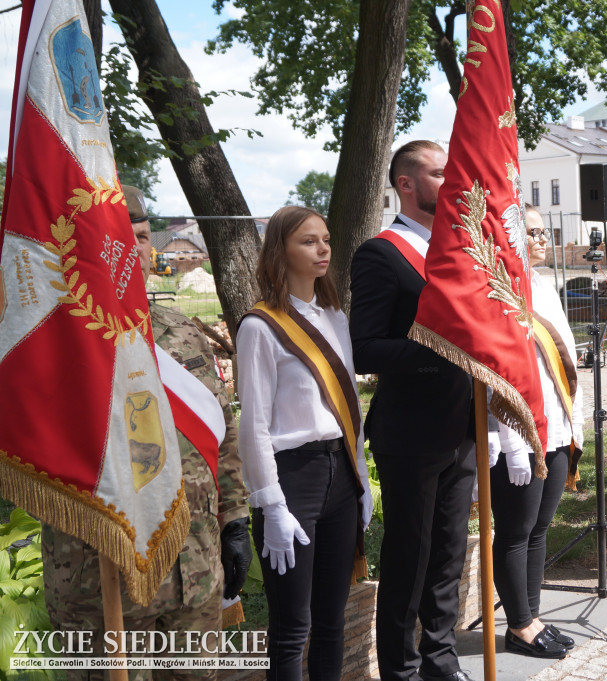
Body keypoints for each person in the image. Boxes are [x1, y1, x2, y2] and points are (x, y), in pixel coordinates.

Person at [42, 185, 251, 681]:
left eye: (139, 236)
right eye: (118, 236)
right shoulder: (55, 342)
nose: (133, 248)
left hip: (195, 573)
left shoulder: (179, 329)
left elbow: (222, 432)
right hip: (102, 579)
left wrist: (236, 519)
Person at [349, 140, 477, 681]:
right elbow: (364, 347)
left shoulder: (463, 249)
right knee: (410, 559)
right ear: (406, 184)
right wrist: (437, 348)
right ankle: (399, 671)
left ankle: (440, 663)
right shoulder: (381, 253)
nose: (452, 181)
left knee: (449, 555)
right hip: (411, 432)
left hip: (463, 427)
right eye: (439, 173)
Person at [236, 205, 372, 681]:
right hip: (293, 479)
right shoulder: (260, 326)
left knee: (332, 620)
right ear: (281, 250)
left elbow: (349, 402)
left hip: (340, 474)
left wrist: (362, 477)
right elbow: (252, 424)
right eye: (308, 241)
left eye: (326, 240)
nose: (322, 249)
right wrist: (270, 503)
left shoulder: (334, 316)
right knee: (294, 624)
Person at [491, 205, 584, 659]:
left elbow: (564, 363)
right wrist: (508, 441)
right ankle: (519, 625)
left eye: (544, 232)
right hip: (520, 433)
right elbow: (498, 374)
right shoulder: (499, 291)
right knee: (515, 530)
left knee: (539, 529)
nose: (542, 239)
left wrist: (574, 424)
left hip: (557, 426)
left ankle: (533, 616)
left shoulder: (545, 285)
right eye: (531, 233)